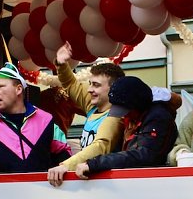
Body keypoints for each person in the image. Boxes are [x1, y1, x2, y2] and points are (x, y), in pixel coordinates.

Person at [48, 76, 177, 184]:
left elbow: (143, 155)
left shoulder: (158, 118)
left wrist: (94, 164)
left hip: (153, 186)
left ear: (137, 105)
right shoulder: (135, 116)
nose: (122, 115)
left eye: (125, 111)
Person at [47, 42, 125, 181]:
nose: (89, 90)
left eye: (96, 85)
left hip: (108, 181)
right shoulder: (93, 105)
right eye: (90, 84)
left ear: (114, 89)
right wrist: (61, 64)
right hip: (88, 177)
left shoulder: (116, 115)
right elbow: (71, 84)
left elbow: (100, 146)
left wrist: (67, 165)